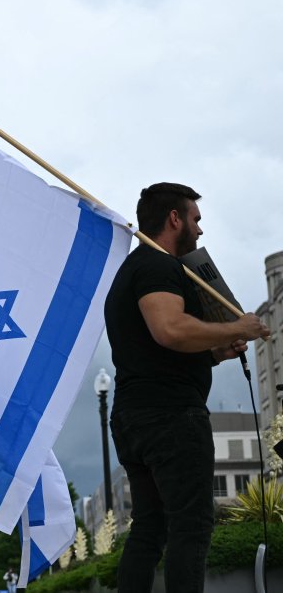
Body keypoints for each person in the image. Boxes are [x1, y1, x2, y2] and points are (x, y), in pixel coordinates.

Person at [105, 182, 270, 592]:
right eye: (195, 219)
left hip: (135, 415)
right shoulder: (159, 267)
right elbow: (170, 329)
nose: (199, 230)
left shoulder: (132, 272)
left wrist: (215, 353)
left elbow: (159, 349)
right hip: (171, 417)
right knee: (191, 524)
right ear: (174, 218)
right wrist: (238, 326)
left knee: (150, 526)